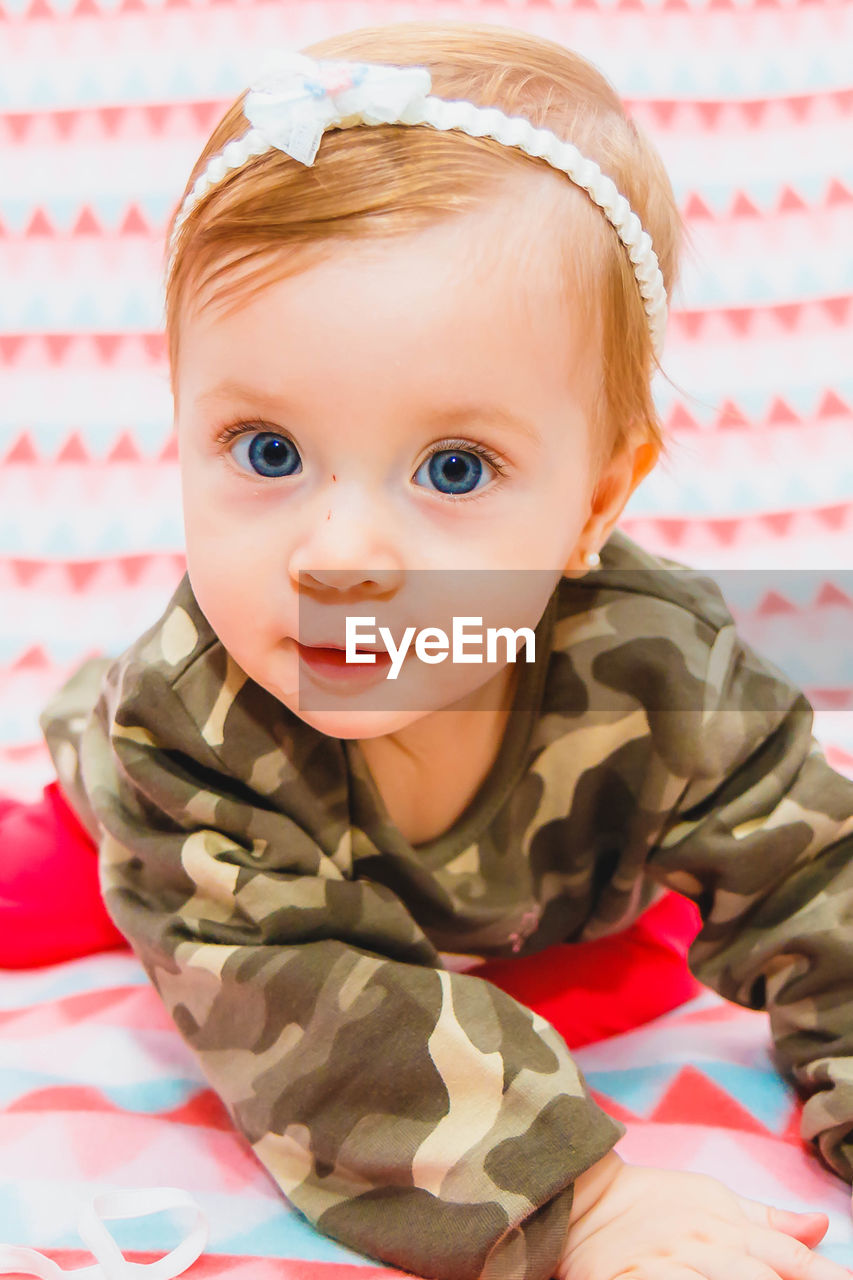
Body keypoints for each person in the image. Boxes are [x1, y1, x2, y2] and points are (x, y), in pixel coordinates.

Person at [7, 19, 853, 1280]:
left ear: (594, 499)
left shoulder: (658, 670)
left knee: (660, 930)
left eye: (454, 468)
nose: (340, 550)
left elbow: (819, 870)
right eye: (267, 451)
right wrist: (585, 1197)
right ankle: (100, 856)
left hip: (529, 891)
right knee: (91, 890)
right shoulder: (187, 721)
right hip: (198, 842)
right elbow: (305, 1013)